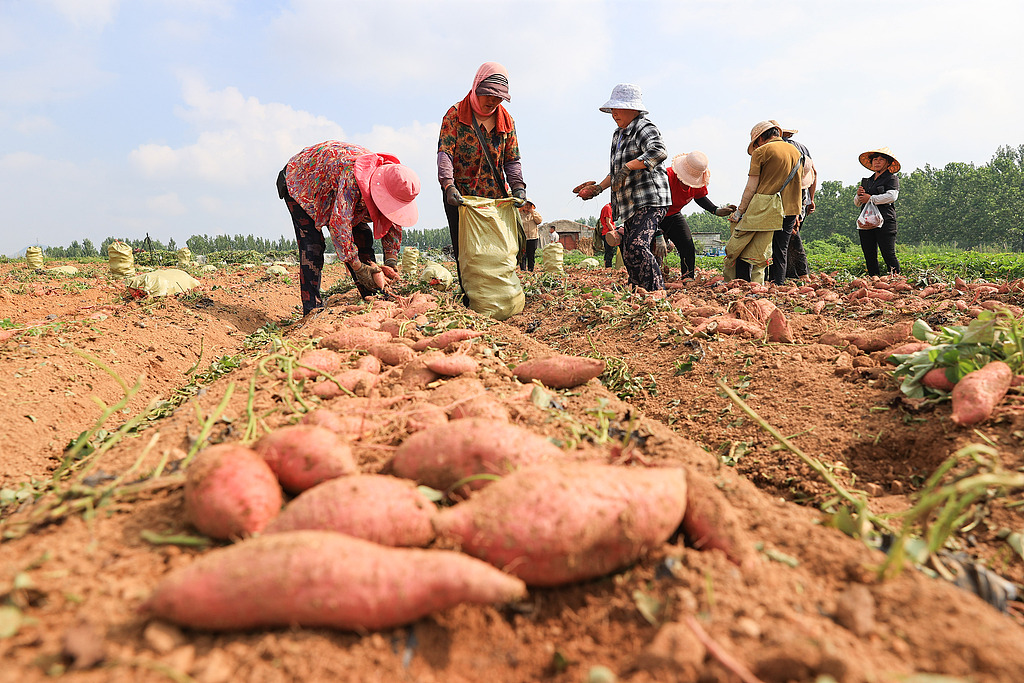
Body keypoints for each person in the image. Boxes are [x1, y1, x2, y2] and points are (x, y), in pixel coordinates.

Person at [277, 140, 420, 315]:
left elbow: (393, 218)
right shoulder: (353, 179)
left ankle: (374, 296)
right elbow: (340, 227)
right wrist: (359, 267)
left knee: (362, 237)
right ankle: (312, 309)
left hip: (333, 184)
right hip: (302, 180)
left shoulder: (393, 180)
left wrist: (391, 262)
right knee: (312, 245)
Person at [437, 62, 527, 301]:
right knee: (467, 251)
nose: (493, 101)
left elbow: (512, 159)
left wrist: (518, 187)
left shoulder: (506, 121)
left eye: (499, 97)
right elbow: (445, 154)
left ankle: (499, 297)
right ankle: (472, 298)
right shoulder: (456, 115)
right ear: (477, 87)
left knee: (499, 249)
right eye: (489, 94)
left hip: (493, 197)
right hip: (461, 198)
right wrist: (448, 185)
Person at [574, 83, 670, 293]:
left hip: (650, 198)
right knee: (628, 251)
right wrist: (598, 189)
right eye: (612, 109)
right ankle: (638, 291)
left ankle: (656, 293)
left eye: (618, 108)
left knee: (637, 245)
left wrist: (629, 167)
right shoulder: (618, 134)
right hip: (629, 203)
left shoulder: (644, 127)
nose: (614, 114)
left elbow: (659, 151)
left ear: (633, 108)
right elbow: (616, 172)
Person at [726, 120, 803, 285]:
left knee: (745, 245)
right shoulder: (796, 152)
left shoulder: (761, 152)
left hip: (765, 208)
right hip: (790, 208)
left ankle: (744, 284)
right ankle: (777, 285)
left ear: (760, 138)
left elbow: (751, 186)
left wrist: (740, 211)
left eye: (755, 143)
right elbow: (800, 183)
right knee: (780, 250)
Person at [655, 151, 734, 280]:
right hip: (654, 215)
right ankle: (652, 278)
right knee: (652, 248)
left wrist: (715, 210)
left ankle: (688, 278)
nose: (688, 184)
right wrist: (657, 233)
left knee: (687, 246)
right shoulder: (666, 176)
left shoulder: (698, 181)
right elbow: (650, 205)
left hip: (674, 215)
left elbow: (700, 197)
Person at [854, 147, 901, 276]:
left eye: (881, 160)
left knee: (888, 253)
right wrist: (858, 195)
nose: (877, 162)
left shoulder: (891, 178)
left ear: (888, 163)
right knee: (869, 254)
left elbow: (892, 196)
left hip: (885, 220)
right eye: (875, 159)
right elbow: (857, 203)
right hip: (867, 221)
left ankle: (896, 279)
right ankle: (873, 279)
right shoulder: (867, 181)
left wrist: (871, 198)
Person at [781, 127, 817, 279]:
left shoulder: (781, 149)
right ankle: (793, 275)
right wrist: (811, 199)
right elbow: (814, 173)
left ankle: (797, 274)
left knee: (788, 239)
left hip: (790, 200)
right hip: (802, 199)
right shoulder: (802, 148)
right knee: (791, 237)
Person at [518, 201, 542, 271]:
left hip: (533, 237)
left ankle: (531, 269)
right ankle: (523, 270)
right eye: (525, 205)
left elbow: (539, 221)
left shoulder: (534, 213)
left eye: (528, 205)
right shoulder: (519, 214)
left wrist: (532, 212)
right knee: (522, 255)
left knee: (531, 255)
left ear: (531, 206)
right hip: (523, 238)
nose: (527, 206)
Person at [599, 203, 618, 267]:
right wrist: (614, 232)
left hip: (607, 233)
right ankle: (608, 267)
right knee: (609, 252)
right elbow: (608, 222)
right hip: (608, 233)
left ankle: (607, 267)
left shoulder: (608, 207)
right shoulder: (608, 208)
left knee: (608, 251)